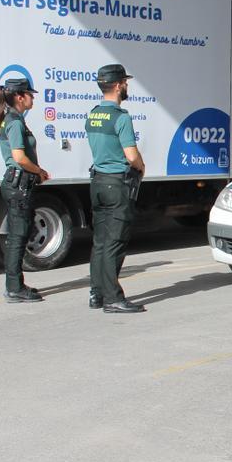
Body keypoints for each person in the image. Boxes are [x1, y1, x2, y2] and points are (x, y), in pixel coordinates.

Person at [85, 63, 147, 314]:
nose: (127, 86)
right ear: (119, 85)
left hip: (97, 182)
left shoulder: (93, 114)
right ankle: (113, 298)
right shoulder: (121, 117)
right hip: (117, 184)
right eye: (126, 82)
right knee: (115, 242)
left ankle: (96, 293)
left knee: (100, 241)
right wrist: (141, 166)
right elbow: (131, 156)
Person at [0, 78, 50, 303]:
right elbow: (19, 157)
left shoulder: (9, 119)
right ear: (20, 97)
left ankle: (15, 284)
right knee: (18, 236)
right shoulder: (15, 121)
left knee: (18, 234)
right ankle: (14, 288)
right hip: (19, 184)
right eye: (29, 94)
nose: (33, 97)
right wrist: (39, 171)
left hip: (15, 184)